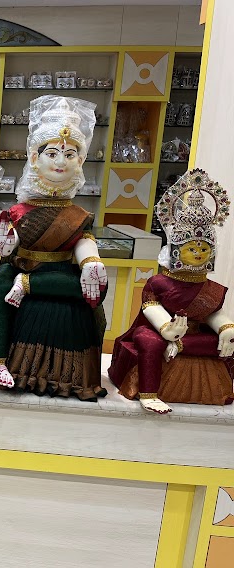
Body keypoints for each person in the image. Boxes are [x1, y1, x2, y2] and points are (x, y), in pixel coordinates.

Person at [0, 95, 108, 401]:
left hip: (60, 269)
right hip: (22, 263)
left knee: (91, 289)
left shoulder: (78, 215)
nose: (61, 162)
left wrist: (90, 261)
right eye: (52, 153)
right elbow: (9, 244)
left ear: (80, 161)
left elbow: (83, 241)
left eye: (70, 154)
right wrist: (5, 242)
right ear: (35, 158)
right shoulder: (20, 210)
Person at [109, 169, 234, 414]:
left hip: (191, 334)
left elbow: (212, 313)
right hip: (154, 329)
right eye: (191, 248)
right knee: (151, 342)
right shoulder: (158, 282)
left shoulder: (210, 287)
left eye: (204, 248)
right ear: (176, 250)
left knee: (224, 340)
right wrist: (167, 329)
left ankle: (182, 344)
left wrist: (226, 327)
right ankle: (149, 395)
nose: (198, 253)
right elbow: (151, 309)